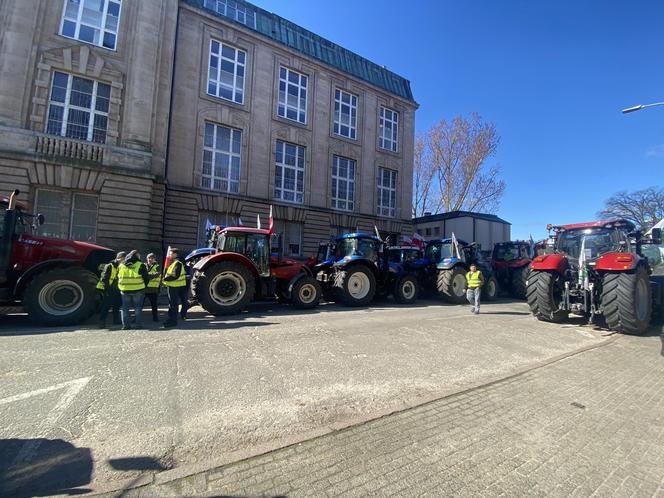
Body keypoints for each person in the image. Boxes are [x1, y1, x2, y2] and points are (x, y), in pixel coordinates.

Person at [117, 249, 149, 330]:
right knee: (137, 308)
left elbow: (117, 276)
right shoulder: (140, 265)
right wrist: (144, 285)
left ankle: (126, 325)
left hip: (124, 290)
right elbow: (146, 278)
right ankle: (138, 325)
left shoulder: (121, 265)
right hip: (138, 289)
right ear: (137, 255)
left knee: (125, 308)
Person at [97, 251, 125, 328]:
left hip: (117, 289)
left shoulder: (122, 266)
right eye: (123, 259)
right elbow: (104, 279)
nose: (124, 261)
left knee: (117, 306)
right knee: (106, 306)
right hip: (109, 289)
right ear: (119, 258)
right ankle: (101, 322)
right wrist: (107, 290)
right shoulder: (109, 266)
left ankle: (116, 320)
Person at [162, 248, 187, 328]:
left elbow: (175, 276)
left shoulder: (178, 263)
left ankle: (173, 321)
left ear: (175, 254)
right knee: (172, 304)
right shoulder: (174, 263)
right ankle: (171, 319)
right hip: (172, 286)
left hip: (174, 286)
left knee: (173, 304)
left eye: (170, 254)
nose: (169, 255)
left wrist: (165, 279)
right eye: (169, 254)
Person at [144, 253, 161, 322]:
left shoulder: (157, 266)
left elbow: (156, 275)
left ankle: (155, 317)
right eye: (149, 258)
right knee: (139, 305)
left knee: (154, 305)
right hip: (144, 288)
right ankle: (136, 318)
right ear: (147, 259)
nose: (150, 259)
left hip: (153, 289)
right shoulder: (143, 266)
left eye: (152, 258)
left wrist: (146, 275)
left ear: (155, 259)